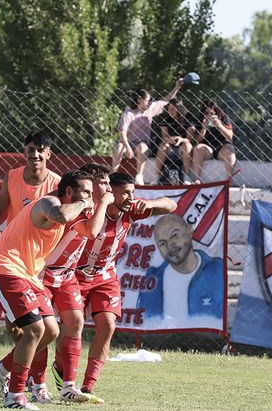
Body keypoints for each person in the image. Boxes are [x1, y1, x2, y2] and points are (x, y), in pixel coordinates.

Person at [0, 170, 94, 410]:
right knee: (34, 330)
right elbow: (61, 215)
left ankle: (2, 368)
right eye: (85, 191)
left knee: (51, 331)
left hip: (28, 275)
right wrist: (85, 202)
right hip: (5, 269)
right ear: (69, 192)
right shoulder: (49, 202)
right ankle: (14, 398)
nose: (89, 197)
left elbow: (92, 229)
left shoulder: (69, 206)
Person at [69, 172, 177, 402]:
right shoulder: (92, 210)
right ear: (111, 192)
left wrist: (148, 203)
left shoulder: (131, 210)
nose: (131, 197)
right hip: (75, 276)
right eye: (126, 192)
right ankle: (59, 377)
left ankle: (88, 386)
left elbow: (171, 205)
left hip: (105, 277)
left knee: (107, 325)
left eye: (133, 192)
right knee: (66, 328)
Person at [44, 163, 113, 403]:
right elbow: (92, 232)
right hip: (43, 273)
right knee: (41, 330)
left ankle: (68, 387)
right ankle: (33, 383)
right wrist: (102, 203)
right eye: (102, 183)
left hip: (66, 276)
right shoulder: (74, 209)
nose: (107, 188)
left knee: (76, 322)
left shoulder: (90, 205)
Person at [138, 215, 224, 328]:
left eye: (174, 236)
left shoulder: (217, 269)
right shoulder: (152, 279)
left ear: (189, 231)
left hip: (208, 339)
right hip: (163, 339)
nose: (170, 245)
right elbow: (148, 321)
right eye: (163, 243)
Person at [0, 130, 61, 245]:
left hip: (42, 250)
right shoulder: (11, 177)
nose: (35, 155)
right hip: (14, 246)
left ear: (48, 154)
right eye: (31, 150)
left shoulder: (57, 184)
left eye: (40, 150)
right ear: (25, 153)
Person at [111, 79, 183, 185]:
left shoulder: (150, 109)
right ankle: (113, 175)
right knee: (118, 147)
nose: (149, 103)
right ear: (140, 100)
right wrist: (128, 148)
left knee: (142, 147)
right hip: (127, 142)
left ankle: (139, 176)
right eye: (147, 100)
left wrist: (177, 87)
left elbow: (167, 99)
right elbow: (122, 133)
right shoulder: (128, 114)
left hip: (141, 143)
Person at [153, 99, 197, 185]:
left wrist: (181, 139)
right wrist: (169, 139)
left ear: (179, 109)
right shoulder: (166, 119)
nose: (170, 111)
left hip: (183, 146)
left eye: (173, 109)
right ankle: (156, 177)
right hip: (170, 147)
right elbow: (164, 136)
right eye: (169, 109)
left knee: (186, 145)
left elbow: (189, 138)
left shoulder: (189, 118)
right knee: (163, 145)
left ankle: (186, 176)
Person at [191, 100, 236, 184]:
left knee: (230, 151)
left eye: (212, 113)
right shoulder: (201, 120)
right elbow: (198, 140)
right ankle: (197, 179)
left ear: (217, 112)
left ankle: (229, 181)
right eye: (206, 113)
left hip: (222, 146)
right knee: (198, 148)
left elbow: (230, 136)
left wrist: (219, 125)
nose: (209, 116)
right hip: (207, 147)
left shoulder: (223, 118)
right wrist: (204, 128)